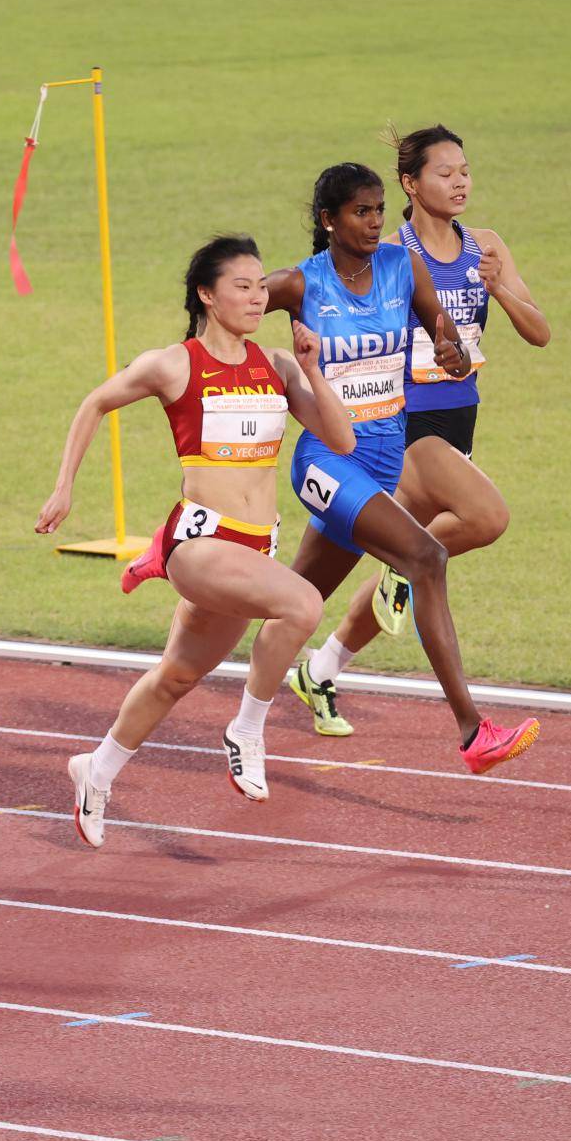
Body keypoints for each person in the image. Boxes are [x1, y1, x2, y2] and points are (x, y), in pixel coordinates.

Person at [37, 235, 353, 847]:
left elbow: (341, 441)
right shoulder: (173, 364)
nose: (258, 297)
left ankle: (95, 770)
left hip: (252, 548)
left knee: (176, 676)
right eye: (243, 285)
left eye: (262, 286)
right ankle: (247, 729)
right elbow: (95, 403)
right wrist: (63, 489)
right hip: (200, 544)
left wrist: (312, 367)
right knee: (304, 604)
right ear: (208, 295)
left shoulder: (278, 367)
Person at [270, 163, 540, 771]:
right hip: (332, 455)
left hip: (388, 456)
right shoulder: (303, 282)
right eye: (360, 211)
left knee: (293, 602)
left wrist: (449, 348)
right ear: (328, 221)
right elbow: (234, 303)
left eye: (376, 209)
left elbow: (445, 335)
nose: (373, 221)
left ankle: (255, 710)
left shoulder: (407, 266)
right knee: (432, 554)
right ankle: (473, 732)